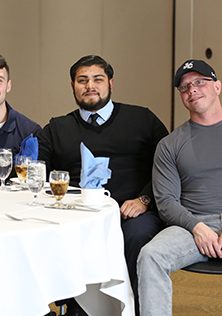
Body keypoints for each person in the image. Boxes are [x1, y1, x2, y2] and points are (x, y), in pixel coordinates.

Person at [37, 55, 168, 316]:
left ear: (110, 83)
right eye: (82, 80)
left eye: (97, 79)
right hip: (78, 214)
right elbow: (34, 165)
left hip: (133, 212)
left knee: (137, 236)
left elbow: (169, 166)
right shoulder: (57, 128)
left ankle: (133, 309)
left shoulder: (142, 118)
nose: (90, 86)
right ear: (72, 85)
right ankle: (78, 307)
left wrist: (144, 200)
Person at [137, 59, 222, 316]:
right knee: (151, 255)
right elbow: (166, 202)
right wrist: (198, 228)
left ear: (217, 86)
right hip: (191, 224)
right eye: (184, 87)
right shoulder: (170, 145)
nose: (191, 90)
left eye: (199, 82)